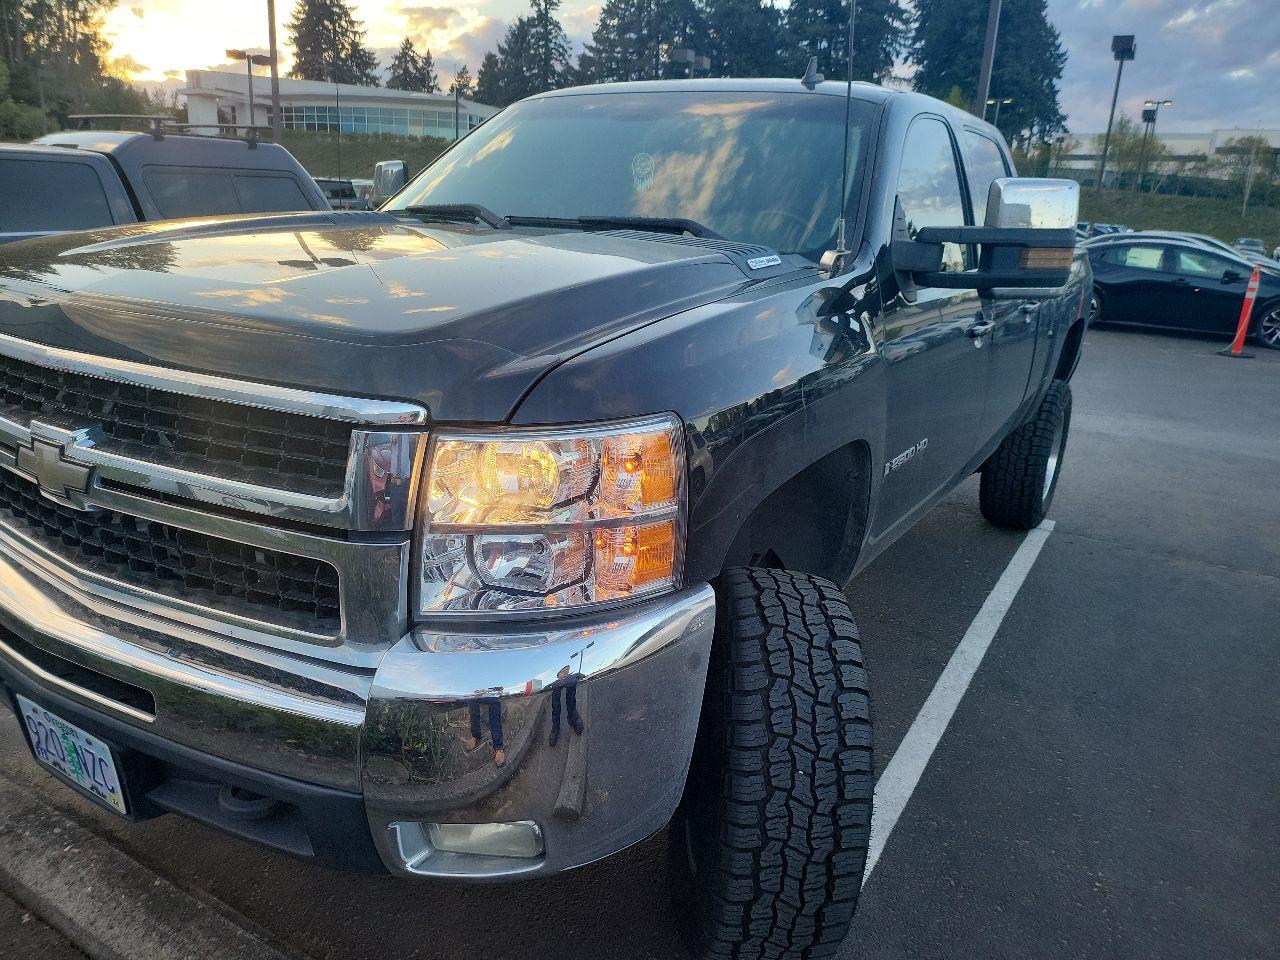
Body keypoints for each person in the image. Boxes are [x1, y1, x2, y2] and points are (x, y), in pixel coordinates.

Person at [463, 688, 505, 766]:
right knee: (472, 700)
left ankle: (498, 747)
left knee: (494, 702)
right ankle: (475, 736)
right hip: (477, 685)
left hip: (491, 687)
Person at [548, 664, 584, 748]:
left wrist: (578, 676)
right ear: (558, 675)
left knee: (571, 701)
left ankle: (572, 718)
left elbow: (579, 675)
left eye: (567, 670)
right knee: (556, 707)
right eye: (563, 671)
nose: (566, 672)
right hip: (556, 686)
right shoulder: (555, 683)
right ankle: (556, 728)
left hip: (570, 686)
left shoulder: (571, 678)